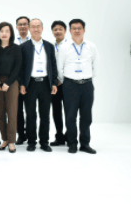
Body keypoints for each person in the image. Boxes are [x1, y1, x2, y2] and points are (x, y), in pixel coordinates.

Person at [57, 19, 99, 155]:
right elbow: (59, 68)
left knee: (86, 117)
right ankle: (72, 143)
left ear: (84, 30)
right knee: (70, 116)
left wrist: (87, 78)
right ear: (69, 31)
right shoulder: (64, 47)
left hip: (87, 85)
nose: (76, 30)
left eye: (79, 28)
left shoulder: (91, 46)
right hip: (70, 85)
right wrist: (68, 81)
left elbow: (96, 66)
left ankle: (85, 144)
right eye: (74, 28)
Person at [19, 18, 58, 152]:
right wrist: (22, 84)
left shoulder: (49, 46)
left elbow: (53, 65)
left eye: (38, 26)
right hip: (30, 84)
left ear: (42, 28)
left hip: (46, 84)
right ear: (29, 29)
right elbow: (21, 68)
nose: (36, 29)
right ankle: (31, 142)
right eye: (33, 26)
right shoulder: (24, 47)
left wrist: (54, 83)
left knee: (45, 114)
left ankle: (44, 142)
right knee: (30, 114)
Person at [0, 22, 22, 153]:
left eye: (7, 31)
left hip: (12, 82)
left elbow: (18, 67)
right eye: (1, 31)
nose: (4, 33)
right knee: (0, 112)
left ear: (11, 33)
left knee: (11, 112)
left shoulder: (16, 48)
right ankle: (4, 139)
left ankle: (11, 141)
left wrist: (8, 83)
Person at [51, 20, 68, 146]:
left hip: (67, 83)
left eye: (60, 29)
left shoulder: (70, 46)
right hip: (54, 85)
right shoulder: (51, 46)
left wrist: (62, 79)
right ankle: (59, 136)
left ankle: (70, 135)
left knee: (69, 111)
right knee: (56, 111)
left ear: (65, 31)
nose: (57, 31)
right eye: (55, 29)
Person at [15, 16, 31, 144]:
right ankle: (21, 134)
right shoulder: (12, 41)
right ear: (16, 27)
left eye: (25, 24)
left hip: (31, 80)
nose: (22, 27)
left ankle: (31, 134)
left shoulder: (35, 41)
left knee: (31, 109)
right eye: (20, 24)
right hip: (17, 80)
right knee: (18, 109)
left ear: (29, 26)